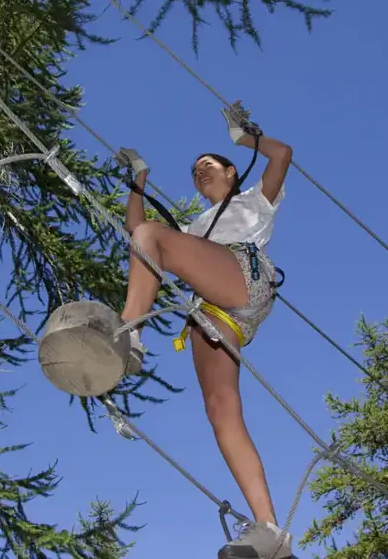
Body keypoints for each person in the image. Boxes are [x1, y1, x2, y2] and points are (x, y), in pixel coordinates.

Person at [119, 114, 294, 559]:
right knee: (221, 413)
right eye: (196, 170)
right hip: (212, 314)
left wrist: (244, 137)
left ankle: (128, 334)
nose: (201, 171)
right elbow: (136, 235)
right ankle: (270, 531)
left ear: (232, 171)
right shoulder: (197, 227)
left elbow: (282, 155)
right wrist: (138, 180)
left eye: (210, 165)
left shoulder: (257, 200)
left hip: (243, 274)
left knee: (151, 236)